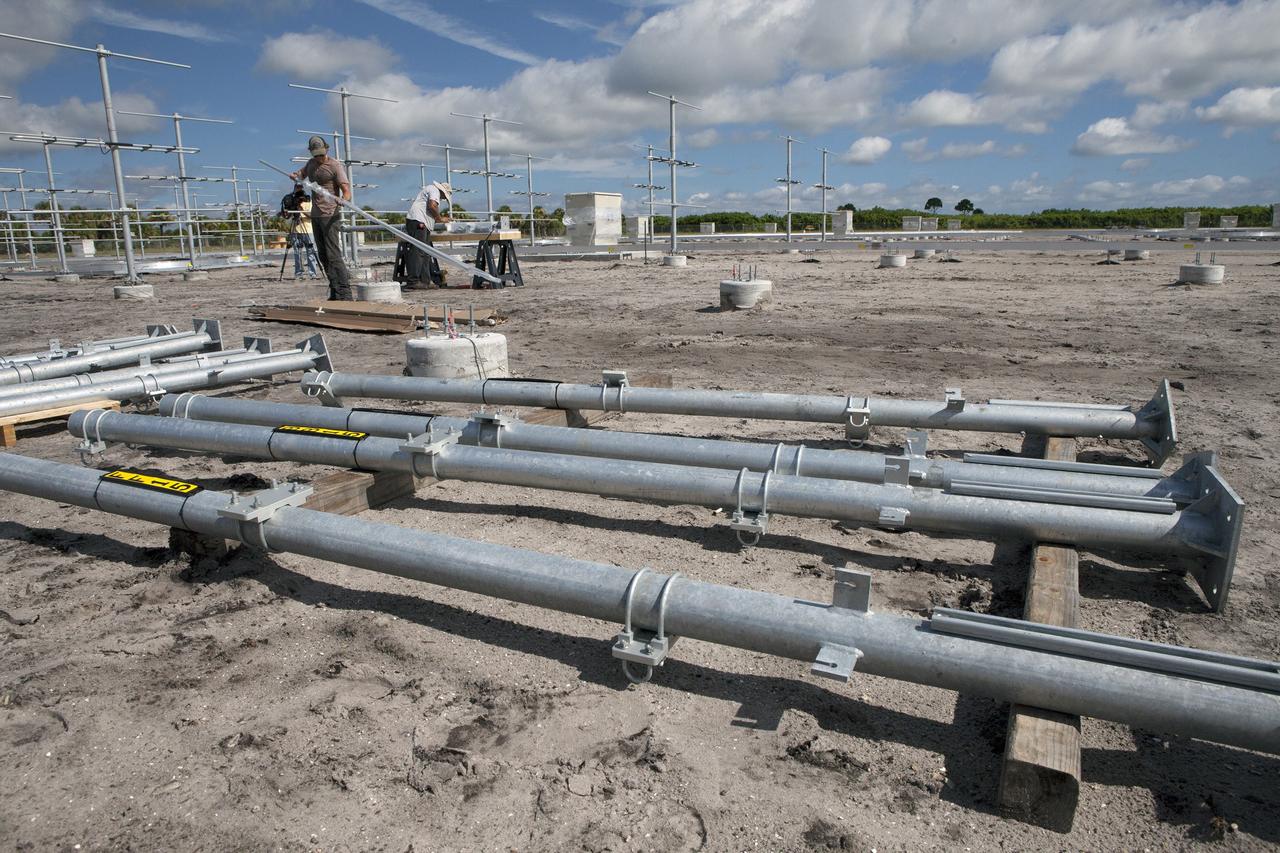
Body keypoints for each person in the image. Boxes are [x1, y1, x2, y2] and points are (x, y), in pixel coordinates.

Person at [289, 136, 352, 300]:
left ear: (327, 149)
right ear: (311, 153)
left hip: (330, 214)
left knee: (333, 255)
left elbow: (346, 190)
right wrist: (295, 176)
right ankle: (334, 290)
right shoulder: (310, 164)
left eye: (321, 154)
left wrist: (344, 199)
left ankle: (345, 293)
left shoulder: (334, 166)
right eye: (316, 155)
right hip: (316, 215)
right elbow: (301, 175)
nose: (319, 158)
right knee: (323, 256)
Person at [402, 180, 453, 288]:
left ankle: (425, 281)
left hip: (421, 223)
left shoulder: (431, 190)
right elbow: (432, 206)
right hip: (418, 222)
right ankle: (413, 281)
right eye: (444, 197)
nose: (443, 199)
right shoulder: (434, 190)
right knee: (418, 251)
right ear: (443, 192)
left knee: (424, 252)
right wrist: (439, 219)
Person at [279, 183, 319, 279]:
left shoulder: (309, 201)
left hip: (308, 230)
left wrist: (301, 210)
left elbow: (311, 216)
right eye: (297, 188)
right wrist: (286, 212)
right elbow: (288, 217)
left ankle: (312, 273)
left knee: (310, 252)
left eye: (300, 188)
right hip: (296, 230)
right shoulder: (293, 202)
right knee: (297, 253)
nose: (298, 190)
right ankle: (298, 273)